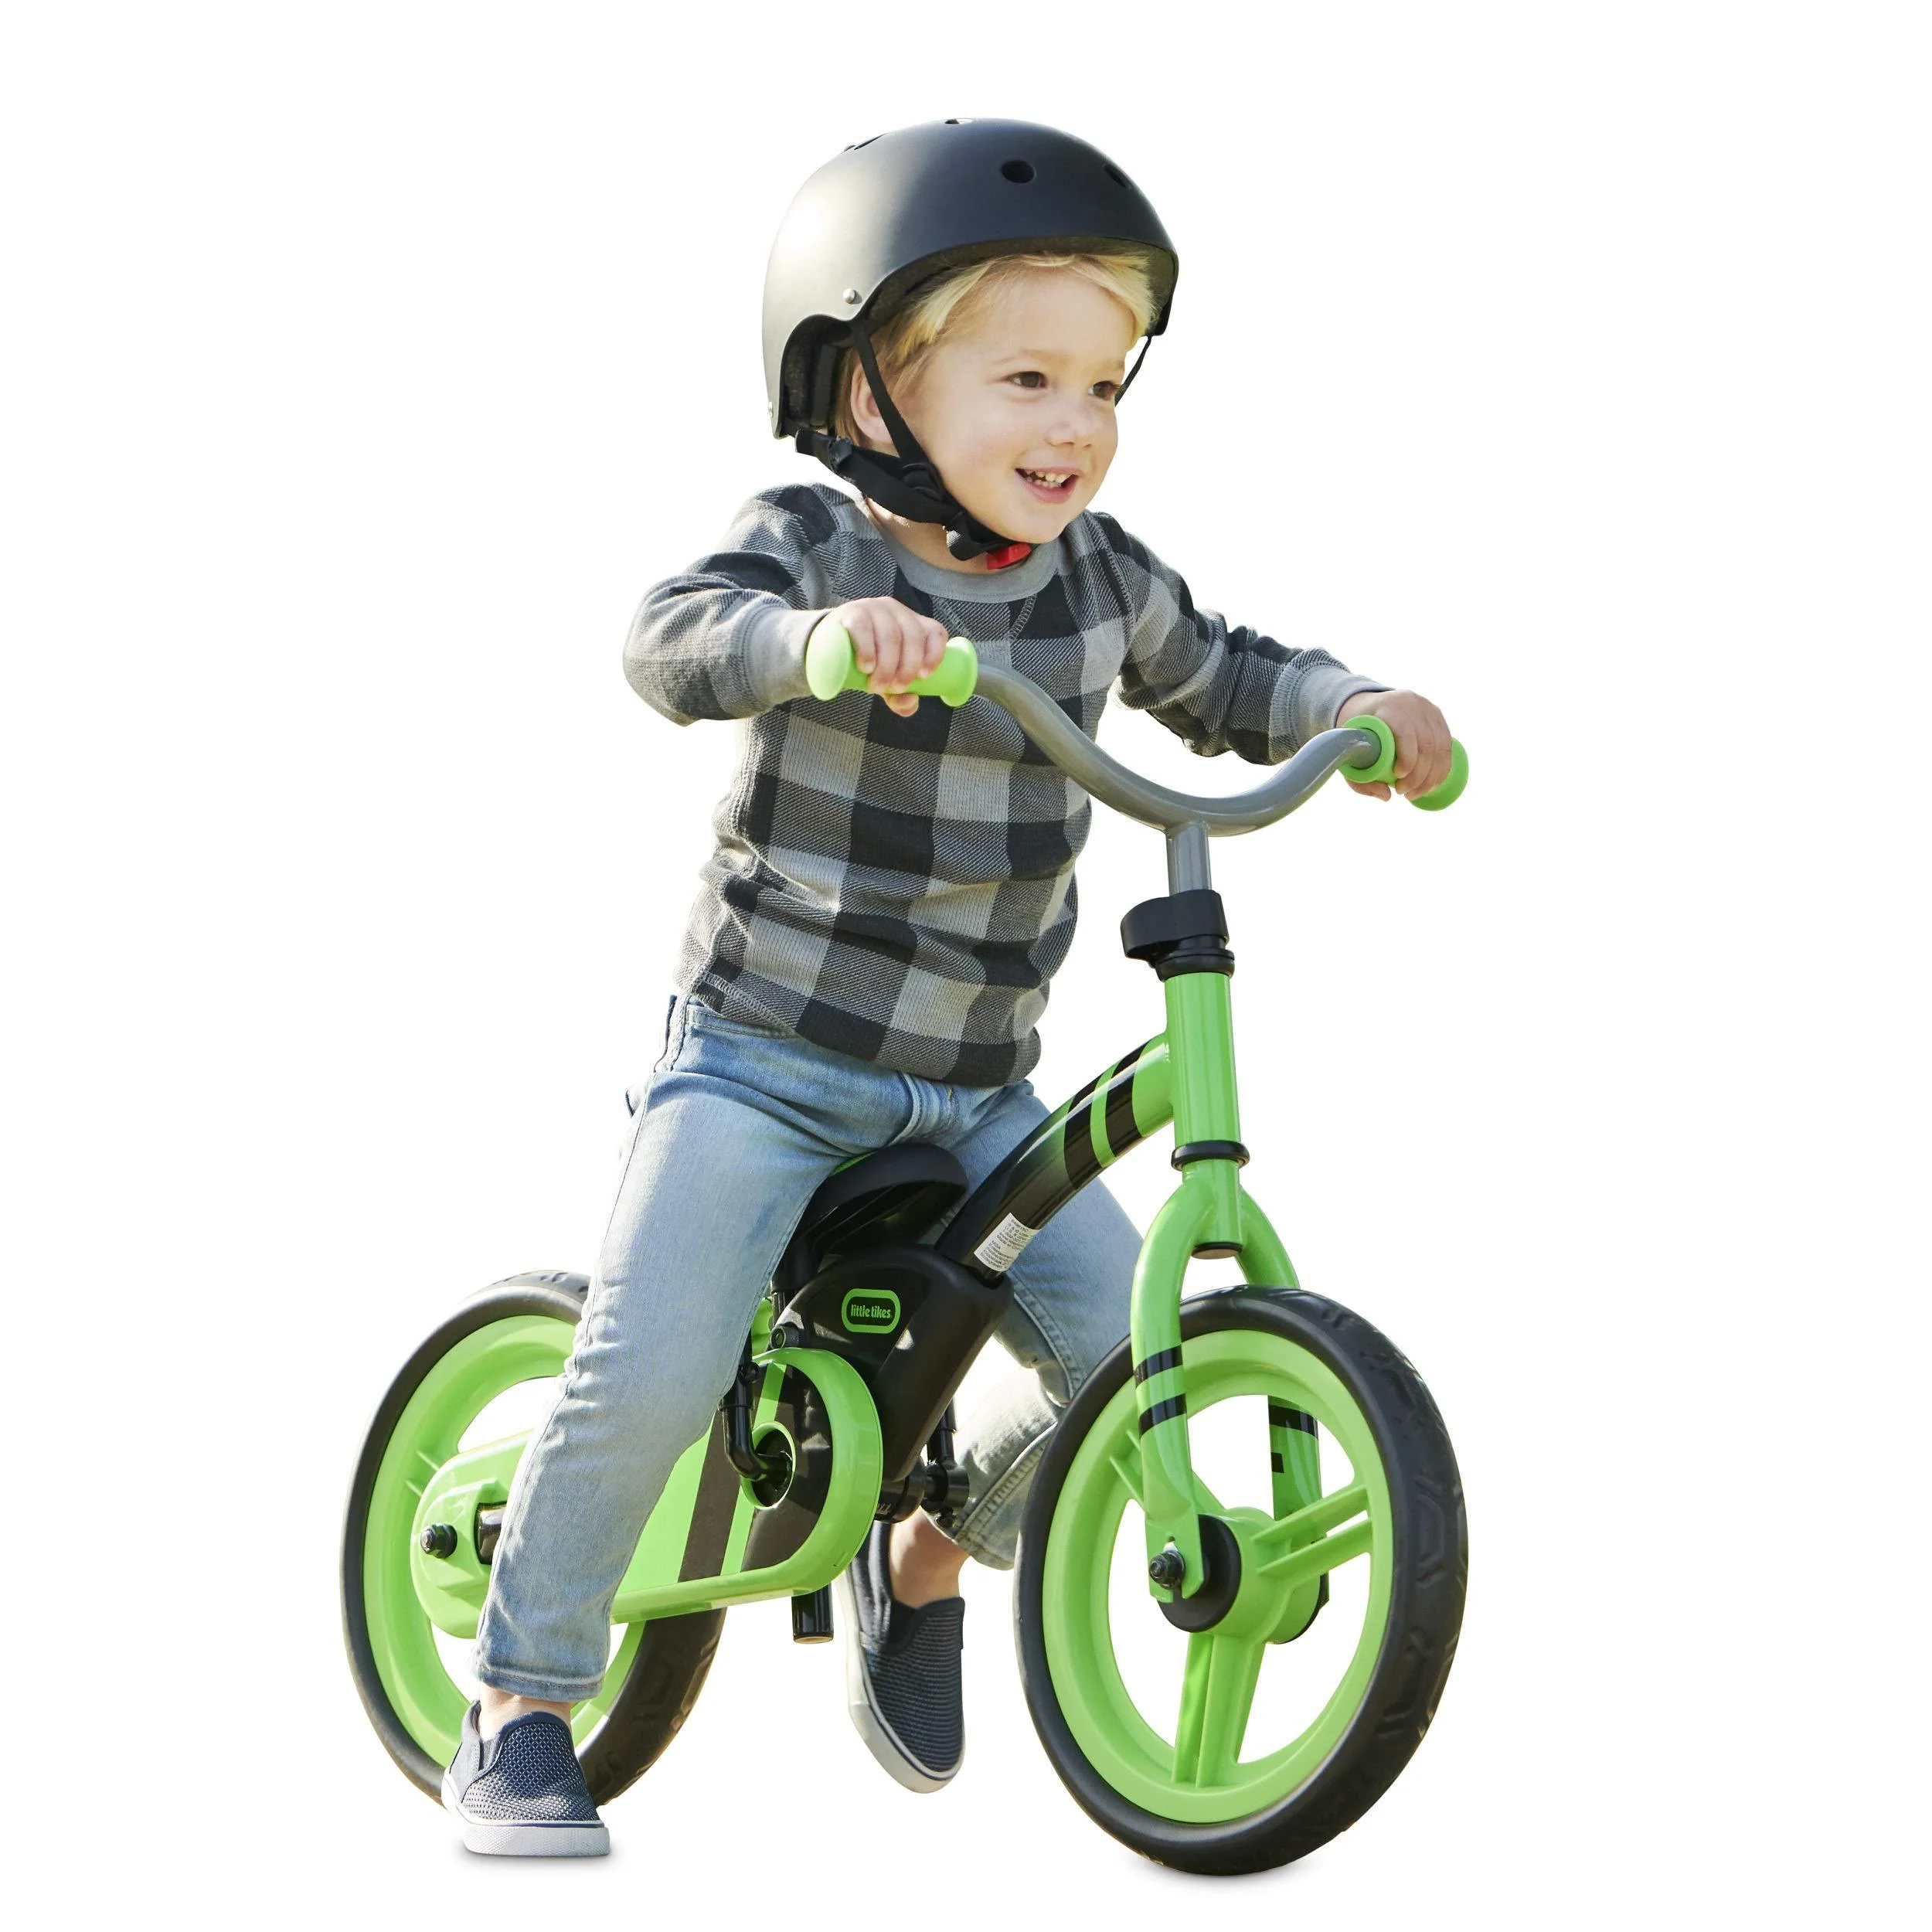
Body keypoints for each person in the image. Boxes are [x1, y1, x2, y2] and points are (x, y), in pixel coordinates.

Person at [440, 117, 1455, 1855]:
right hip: (766, 1062)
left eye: (1104, 385)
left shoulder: (1099, 579)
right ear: (867, 393)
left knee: (1110, 1362)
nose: (1076, 425)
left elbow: (1225, 676)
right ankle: (519, 1702)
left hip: (977, 1088)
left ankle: (919, 1560)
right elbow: (671, 634)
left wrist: (1356, 707)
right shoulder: (819, 544)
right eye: (1027, 380)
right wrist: (811, 644)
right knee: (657, 1370)